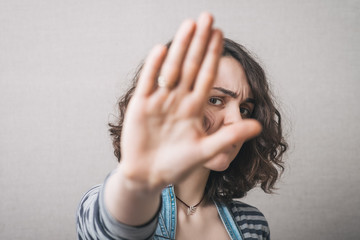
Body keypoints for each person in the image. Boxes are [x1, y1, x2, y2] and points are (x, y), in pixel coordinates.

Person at [76, 12, 287, 240]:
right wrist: (136, 182)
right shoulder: (102, 205)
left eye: (244, 109)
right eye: (215, 100)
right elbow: (118, 223)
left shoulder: (252, 224)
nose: (236, 121)